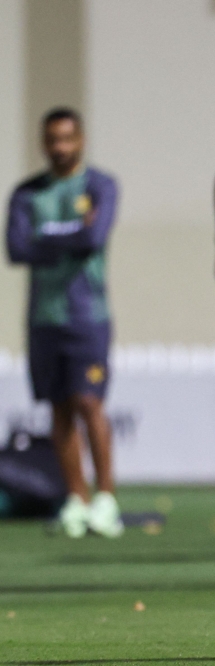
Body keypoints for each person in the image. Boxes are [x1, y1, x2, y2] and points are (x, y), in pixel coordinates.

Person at [5, 108, 122, 539]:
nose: (59, 148)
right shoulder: (27, 193)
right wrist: (70, 237)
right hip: (44, 317)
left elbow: (94, 238)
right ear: (43, 142)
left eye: (66, 139)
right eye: (52, 140)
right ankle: (77, 498)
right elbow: (17, 248)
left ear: (81, 140)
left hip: (87, 316)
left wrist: (47, 240)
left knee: (89, 404)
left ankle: (106, 497)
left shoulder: (99, 185)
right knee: (58, 409)